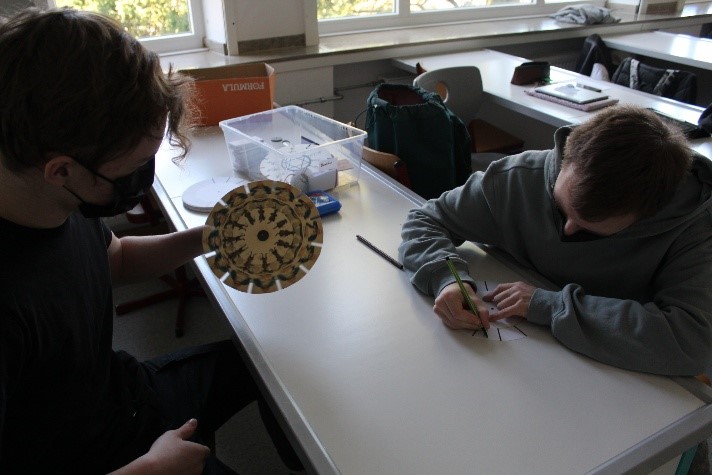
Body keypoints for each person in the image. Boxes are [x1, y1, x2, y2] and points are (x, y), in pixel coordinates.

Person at [0, 8, 302, 474]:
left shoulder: (54, 199)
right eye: (136, 163)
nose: (145, 175)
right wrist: (154, 469)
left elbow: (116, 259)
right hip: (94, 458)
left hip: (121, 396)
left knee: (274, 369)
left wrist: (210, 236)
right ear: (61, 170)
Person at [399, 105, 712, 377]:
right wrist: (447, 278)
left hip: (612, 375)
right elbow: (427, 219)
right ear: (566, 158)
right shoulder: (519, 176)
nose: (567, 230)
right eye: (561, 209)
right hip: (518, 364)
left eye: (590, 228)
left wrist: (550, 305)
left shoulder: (695, 228)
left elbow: (693, 342)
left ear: (644, 215)